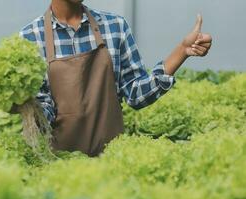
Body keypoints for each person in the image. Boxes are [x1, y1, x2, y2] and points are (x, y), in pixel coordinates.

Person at [19, 0, 212, 156]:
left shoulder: (114, 27)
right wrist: (21, 104)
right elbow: (43, 111)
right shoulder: (30, 37)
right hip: (58, 166)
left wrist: (182, 51)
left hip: (112, 162)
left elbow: (136, 94)